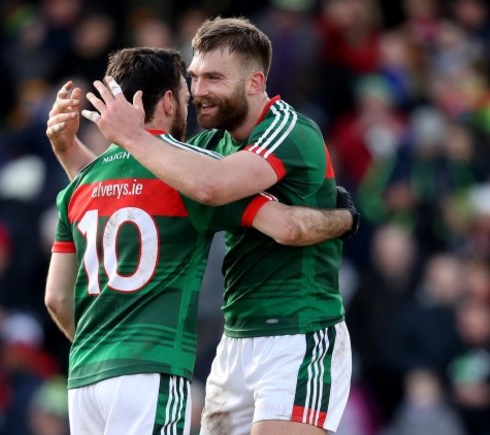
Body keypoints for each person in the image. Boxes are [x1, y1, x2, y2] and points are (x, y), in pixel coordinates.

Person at [44, 47, 356, 435]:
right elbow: (284, 226)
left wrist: (67, 148)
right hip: (151, 369)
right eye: (187, 94)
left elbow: (56, 299)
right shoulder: (191, 174)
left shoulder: (80, 186)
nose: (193, 104)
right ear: (170, 101)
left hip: (85, 377)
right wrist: (345, 219)